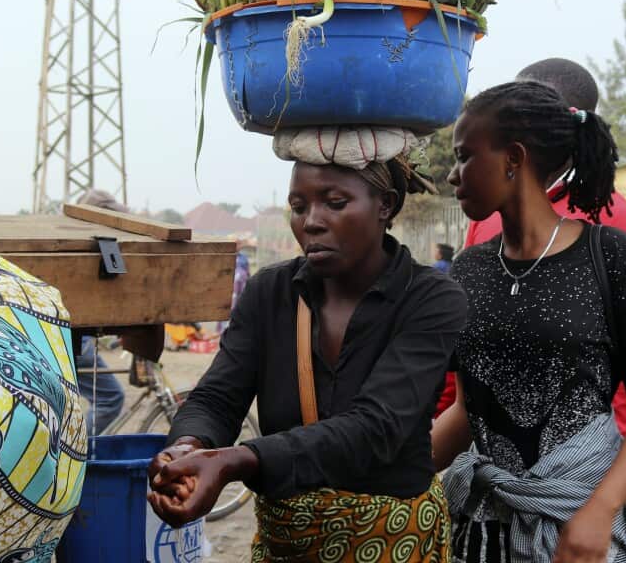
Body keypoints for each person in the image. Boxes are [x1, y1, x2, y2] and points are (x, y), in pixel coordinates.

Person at [146, 155, 466, 562]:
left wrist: (238, 461)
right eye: (298, 207)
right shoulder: (269, 292)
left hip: (393, 545)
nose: (311, 221)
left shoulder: (431, 299)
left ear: (385, 204)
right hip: (286, 547)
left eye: (334, 202)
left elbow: (377, 427)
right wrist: (188, 448)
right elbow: (216, 398)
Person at [435, 81, 626, 562]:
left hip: (585, 528)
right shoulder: (469, 270)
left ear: (513, 158)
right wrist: (392, 475)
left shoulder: (610, 259)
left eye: (465, 156)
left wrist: (602, 508)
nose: (453, 175)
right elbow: (469, 409)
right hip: (484, 528)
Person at [453, 58, 626, 434]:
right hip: (493, 455)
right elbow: (465, 351)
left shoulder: (617, 222)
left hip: (594, 464)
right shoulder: (486, 212)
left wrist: (616, 469)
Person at [73, 189, 128, 436]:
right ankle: (77, 450)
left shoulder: (73, 242)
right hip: (75, 341)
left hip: (60, 337)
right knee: (110, 398)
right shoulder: (102, 246)